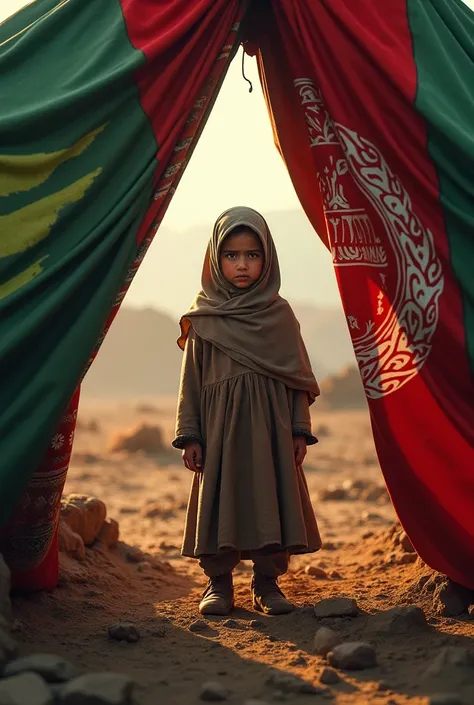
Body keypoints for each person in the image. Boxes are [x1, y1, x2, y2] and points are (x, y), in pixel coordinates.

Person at [172, 206, 321, 616]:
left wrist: (298, 428)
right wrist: (191, 434)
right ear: (216, 260)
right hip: (219, 433)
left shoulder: (280, 315)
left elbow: (297, 378)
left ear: (267, 258)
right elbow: (191, 382)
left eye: (252, 255)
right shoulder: (204, 318)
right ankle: (218, 583)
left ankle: (267, 583)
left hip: (271, 431)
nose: (242, 265)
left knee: (270, 498)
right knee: (220, 499)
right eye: (232, 255)